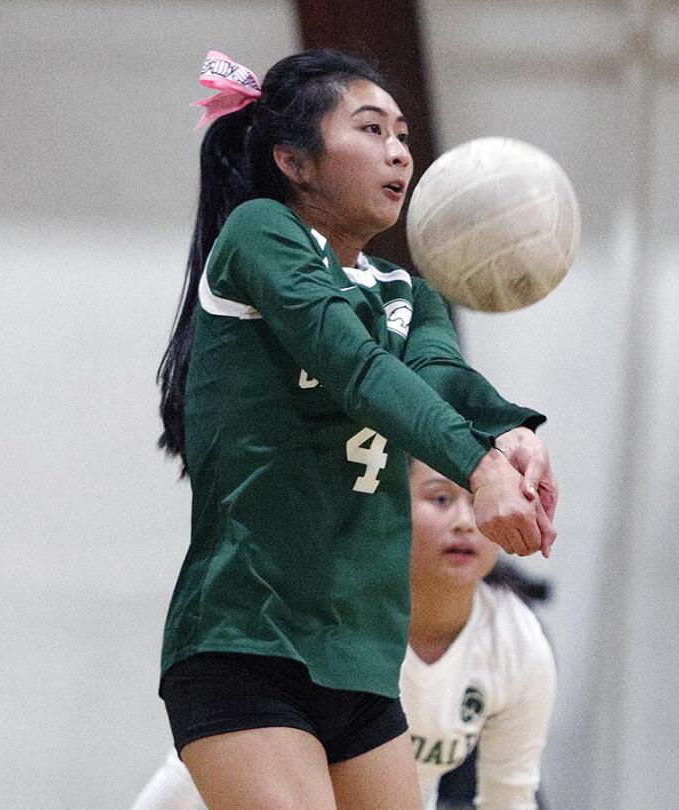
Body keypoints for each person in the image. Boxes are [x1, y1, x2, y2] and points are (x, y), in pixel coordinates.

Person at [152, 48, 560, 809]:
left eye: (403, 134)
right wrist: (479, 469)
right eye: (371, 129)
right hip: (247, 640)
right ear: (294, 161)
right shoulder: (260, 234)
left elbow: (440, 382)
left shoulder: (409, 289)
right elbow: (359, 368)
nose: (400, 151)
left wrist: (509, 435)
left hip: (364, 662)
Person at [131, 460, 557, 810]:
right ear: (389, 506)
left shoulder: (518, 642)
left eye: (480, 500)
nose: (465, 521)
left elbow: (510, 797)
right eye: (440, 498)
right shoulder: (335, 610)